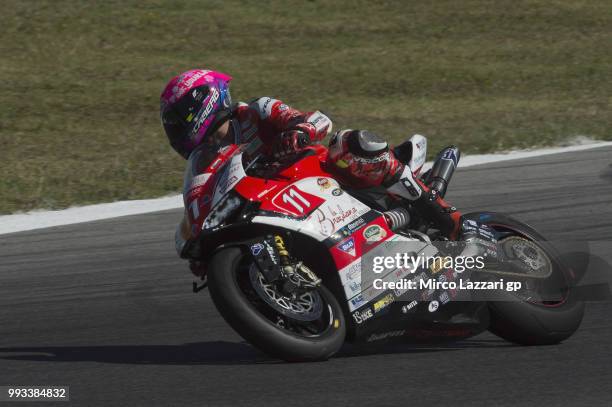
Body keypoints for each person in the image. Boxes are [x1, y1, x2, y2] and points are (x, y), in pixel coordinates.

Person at [160, 69, 464, 274]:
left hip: (323, 177)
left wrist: (301, 131)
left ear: (203, 104)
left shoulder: (256, 110)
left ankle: (445, 215)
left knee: (348, 144)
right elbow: (201, 200)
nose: (175, 130)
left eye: (178, 120)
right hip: (281, 207)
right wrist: (200, 246)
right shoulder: (206, 161)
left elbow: (319, 120)